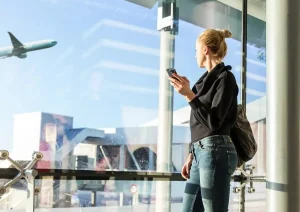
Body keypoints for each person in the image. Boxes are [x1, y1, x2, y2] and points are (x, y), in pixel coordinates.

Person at [168, 29, 239, 211]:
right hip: (201, 153)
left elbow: (213, 122)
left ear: (205, 50)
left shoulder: (226, 79)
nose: (195, 55)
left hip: (216, 151)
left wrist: (189, 95)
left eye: (196, 50)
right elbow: (200, 125)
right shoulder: (202, 83)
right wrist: (192, 154)